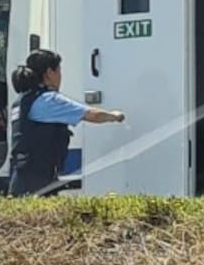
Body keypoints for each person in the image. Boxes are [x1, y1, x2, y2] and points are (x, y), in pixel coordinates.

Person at [8, 48, 126, 197]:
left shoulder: (22, 101)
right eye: (59, 71)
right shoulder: (49, 100)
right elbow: (92, 115)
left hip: (20, 179)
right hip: (39, 181)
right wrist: (115, 116)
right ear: (50, 73)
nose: (60, 76)